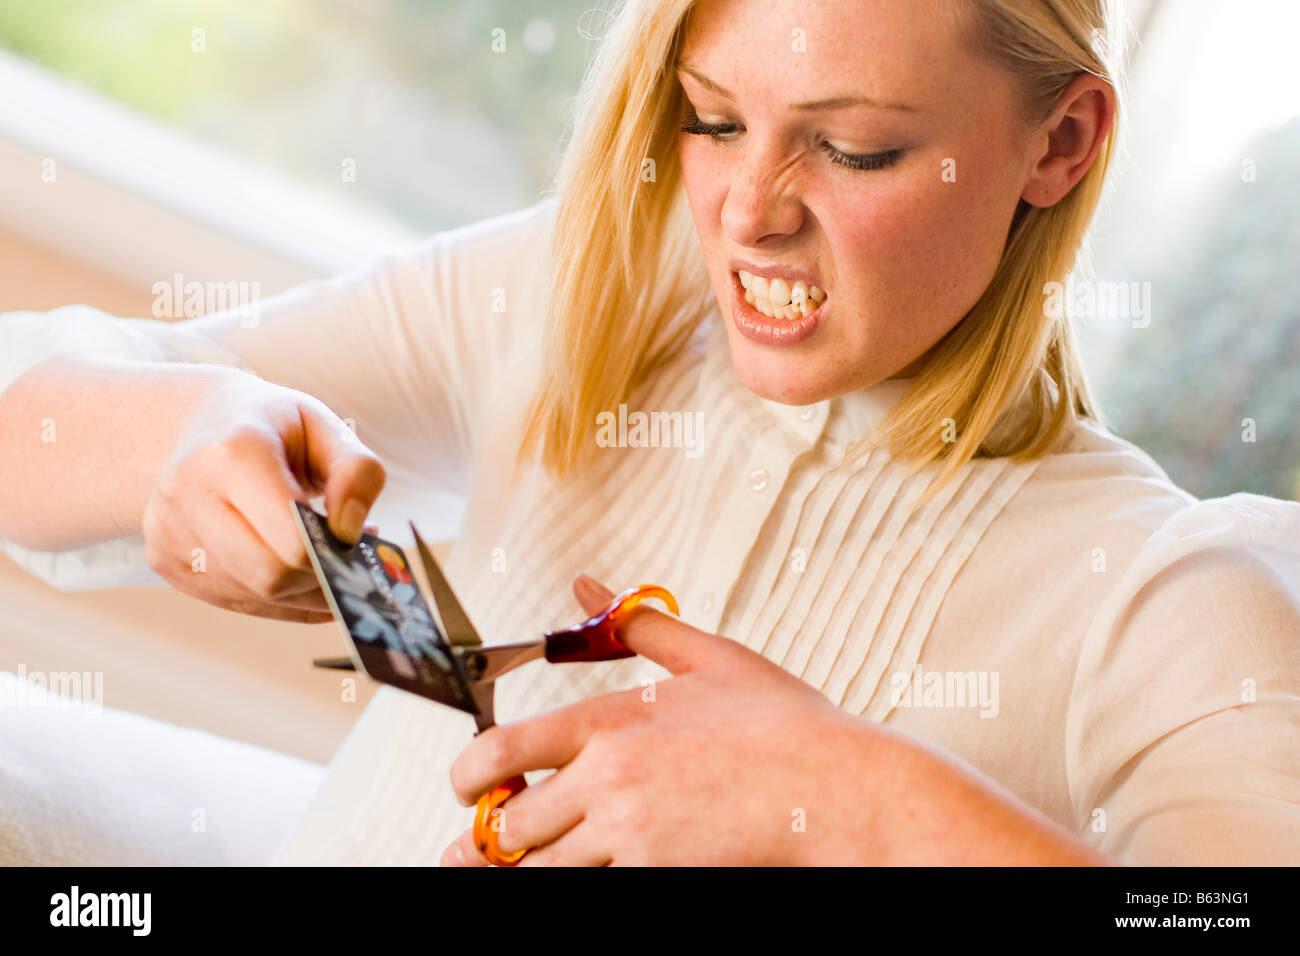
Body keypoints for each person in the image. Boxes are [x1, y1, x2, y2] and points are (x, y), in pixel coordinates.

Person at [2, 0, 1299, 866]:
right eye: (715, 119)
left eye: (852, 151)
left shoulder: (1162, 598)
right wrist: (177, 433)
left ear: (1058, 143)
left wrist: (862, 803)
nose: (747, 213)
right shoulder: (580, 308)